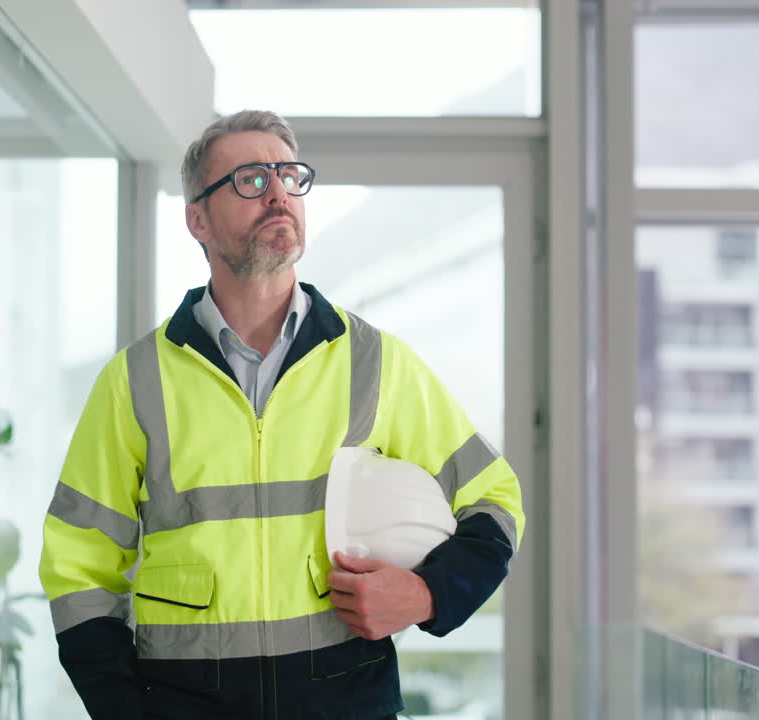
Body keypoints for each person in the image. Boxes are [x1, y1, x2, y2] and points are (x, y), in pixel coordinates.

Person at [39, 110, 525, 720]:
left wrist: (428, 594)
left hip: (348, 704)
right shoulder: (134, 381)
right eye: (248, 179)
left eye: (289, 176)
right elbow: (77, 567)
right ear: (197, 219)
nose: (277, 193)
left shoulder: (375, 362)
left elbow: (495, 499)